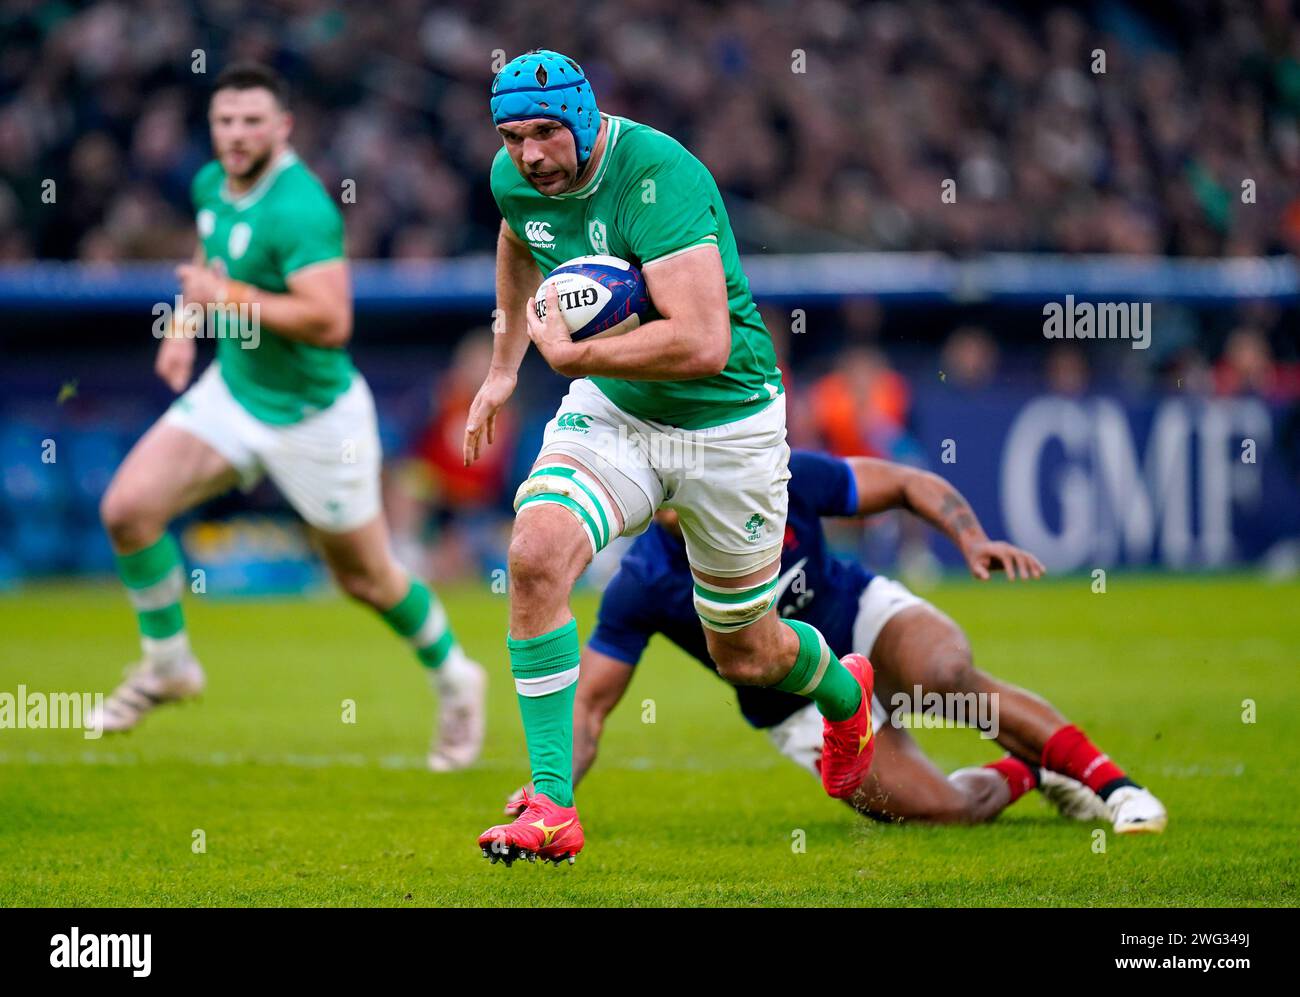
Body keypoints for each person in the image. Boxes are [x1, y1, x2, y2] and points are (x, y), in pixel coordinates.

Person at [465, 50, 873, 865]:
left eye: (545, 133)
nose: (529, 154)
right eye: (512, 138)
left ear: (584, 117)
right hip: (616, 411)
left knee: (746, 652)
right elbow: (517, 237)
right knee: (536, 554)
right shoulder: (515, 179)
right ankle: (552, 804)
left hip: (727, 424)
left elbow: (704, 341)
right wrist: (505, 366)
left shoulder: (659, 176)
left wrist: (574, 358)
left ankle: (845, 691)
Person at [93, 63, 485, 771]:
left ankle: (457, 677)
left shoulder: (301, 209)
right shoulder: (210, 184)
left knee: (367, 580)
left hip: (315, 419)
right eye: (225, 121)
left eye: (252, 122)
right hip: (235, 393)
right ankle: (169, 665)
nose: (236, 134)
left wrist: (225, 298)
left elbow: (330, 320)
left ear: (283, 127)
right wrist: (183, 328)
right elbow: (209, 260)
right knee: (127, 509)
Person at [506, 451, 1168, 834]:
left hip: (863, 621)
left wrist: (971, 538)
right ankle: (1032, 768)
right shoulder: (643, 583)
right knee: (949, 811)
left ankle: (1117, 787)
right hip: (799, 706)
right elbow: (589, 708)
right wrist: (551, 791)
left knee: (945, 674)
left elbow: (905, 483)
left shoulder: (777, 479)